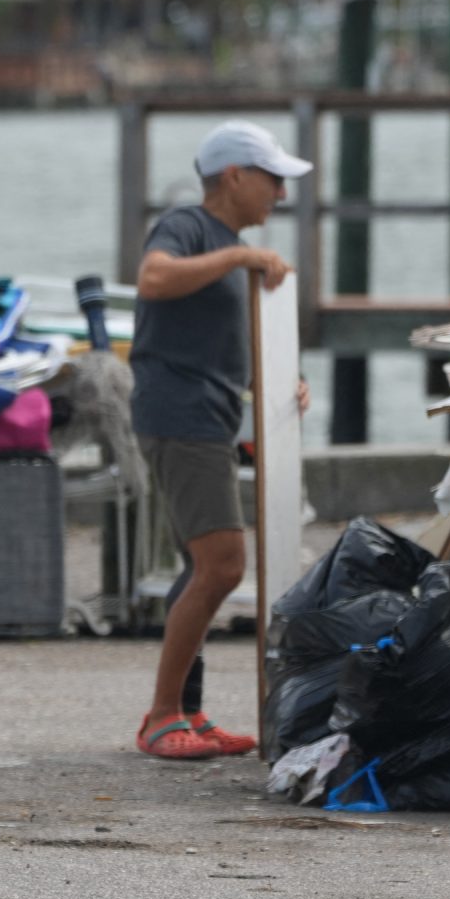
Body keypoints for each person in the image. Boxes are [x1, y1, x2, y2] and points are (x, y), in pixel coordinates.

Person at [129, 118, 312, 760]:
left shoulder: (225, 243)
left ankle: (190, 712)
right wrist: (238, 256)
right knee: (224, 563)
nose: (280, 196)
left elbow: (224, 341)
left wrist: (282, 380)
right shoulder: (189, 227)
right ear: (233, 176)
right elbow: (153, 278)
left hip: (207, 419)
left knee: (199, 567)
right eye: (272, 181)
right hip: (181, 420)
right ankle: (161, 716)